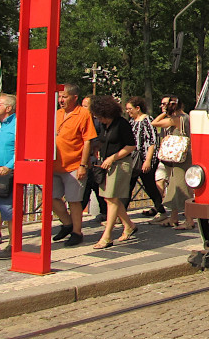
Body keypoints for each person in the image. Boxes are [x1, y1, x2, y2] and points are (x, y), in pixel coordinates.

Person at [87, 96, 137, 249]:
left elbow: (131, 146)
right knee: (110, 198)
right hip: (106, 164)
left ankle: (107, 235)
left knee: (111, 198)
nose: (99, 120)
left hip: (120, 163)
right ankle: (129, 225)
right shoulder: (104, 125)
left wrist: (113, 158)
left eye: (100, 116)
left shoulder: (122, 124)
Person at [53, 84, 97, 246]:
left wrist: (83, 165)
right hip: (54, 164)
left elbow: (87, 141)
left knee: (74, 200)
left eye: (64, 97)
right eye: (59, 97)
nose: (61, 100)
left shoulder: (83, 114)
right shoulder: (57, 113)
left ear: (74, 97)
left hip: (74, 165)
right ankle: (67, 224)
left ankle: (77, 232)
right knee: (51, 197)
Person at [152, 95, 193, 229]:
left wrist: (164, 112)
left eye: (166, 105)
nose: (163, 107)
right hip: (184, 155)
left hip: (180, 158)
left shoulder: (176, 119)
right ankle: (173, 218)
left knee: (182, 188)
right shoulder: (187, 117)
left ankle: (189, 220)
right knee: (175, 187)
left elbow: (154, 123)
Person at [124, 97, 166, 222]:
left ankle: (161, 211)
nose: (128, 111)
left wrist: (148, 160)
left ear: (138, 108)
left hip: (144, 159)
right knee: (128, 186)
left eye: (130, 109)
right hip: (134, 159)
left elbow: (152, 142)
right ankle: (121, 214)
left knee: (149, 186)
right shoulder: (132, 121)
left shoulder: (147, 120)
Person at [0, 94, 17, 258]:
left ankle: (13, 244)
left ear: (8, 108)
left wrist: (9, 166)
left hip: (7, 173)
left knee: (7, 209)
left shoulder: (16, 124)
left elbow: (21, 149)